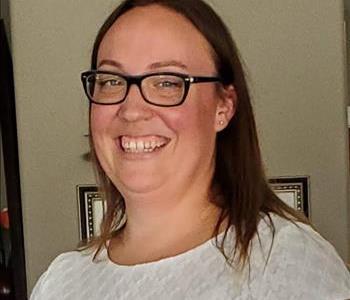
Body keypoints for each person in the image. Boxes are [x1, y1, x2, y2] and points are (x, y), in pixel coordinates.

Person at [30, 0, 350, 299]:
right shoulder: (61, 282)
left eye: (167, 82)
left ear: (223, 107)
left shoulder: (286, 264)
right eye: (111, 80)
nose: (131, 109)